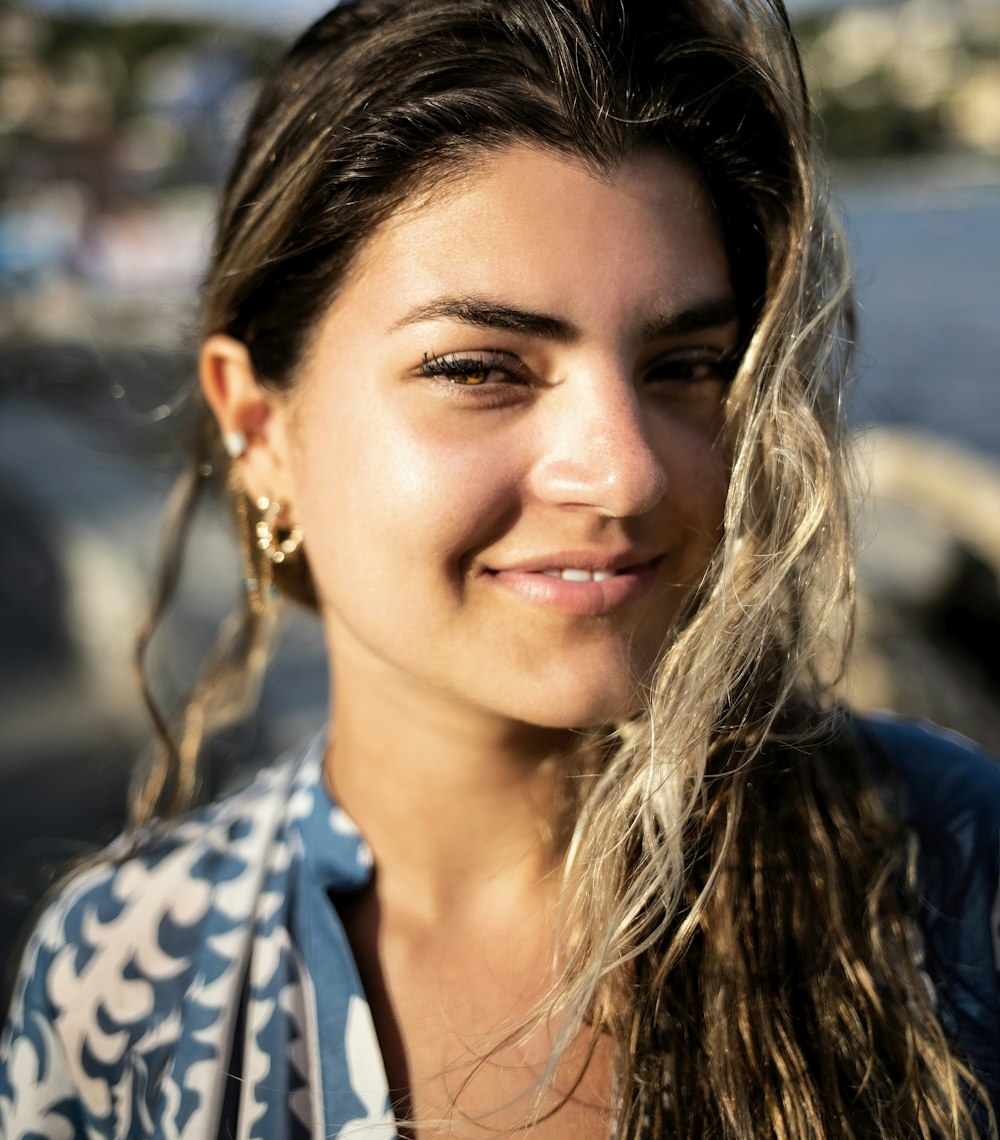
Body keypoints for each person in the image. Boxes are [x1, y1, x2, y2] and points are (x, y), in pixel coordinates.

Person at [2, 0, 999, 1136]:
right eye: (480, 368)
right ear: (261, 431)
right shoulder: (126, 980)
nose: (623, 473)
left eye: (686, 365)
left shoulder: (943, 875)